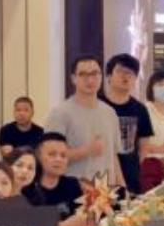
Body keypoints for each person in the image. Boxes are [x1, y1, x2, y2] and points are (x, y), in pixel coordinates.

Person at [45, 55, 122, 185]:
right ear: (73, 78)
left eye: (94, 74)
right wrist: (87, 150)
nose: (90, 80)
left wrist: (122, 187)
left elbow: (113, 157)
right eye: (83, 75)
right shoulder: (60, 113)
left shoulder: (110, 112)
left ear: (101, 76)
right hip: (74, 190)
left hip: (106, 192)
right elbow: (48, 156)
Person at [99, 53, 155, 192]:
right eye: (120, 71)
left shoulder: (140, 109)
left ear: (135, 79)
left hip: (131, 176)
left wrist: (134, 167)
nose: (125, 76)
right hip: (101, 174)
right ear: (109, 76)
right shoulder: (97, 105)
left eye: (130, 73)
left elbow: (144, 146)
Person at [20, 133, 86, 216]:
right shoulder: (26, 188)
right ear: (38, 157)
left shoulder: (73, 185)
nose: (58, 159)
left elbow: (82, 217)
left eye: (63, 155)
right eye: (52, 154)